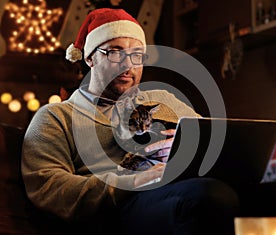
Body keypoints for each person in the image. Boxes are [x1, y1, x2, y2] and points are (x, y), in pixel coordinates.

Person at [21, 8, 239, 235]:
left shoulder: (163, 100)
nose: (128, 66)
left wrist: (187, 145)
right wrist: (131, 180)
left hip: (181, 188)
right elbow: (49, 187)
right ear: (89, 58)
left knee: (262, 192)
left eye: (137, 56)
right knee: (209, 197)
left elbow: (212, 142)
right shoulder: (56, 117)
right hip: (117, 212)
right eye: (115, 53)